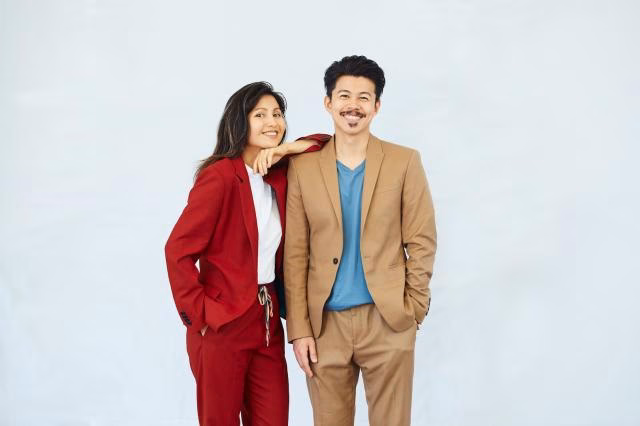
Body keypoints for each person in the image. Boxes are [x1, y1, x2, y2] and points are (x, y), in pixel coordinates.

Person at [284, 55, 437, 426]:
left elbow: (421, 239)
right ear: (328, 102)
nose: (353, 105)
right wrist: (299, 329)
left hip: (387, 321)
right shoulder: (303, 167)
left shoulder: (404, 162)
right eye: (344, 96)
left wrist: (413, 308)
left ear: (376, 106)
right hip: (324, 328)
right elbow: (295, 254)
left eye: (364, 97)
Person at [164, 81, 327, 426]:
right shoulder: (220, 177)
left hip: (267, 319)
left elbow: (327, 144)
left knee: (273, 418)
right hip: (222, 323)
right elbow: (177, 249)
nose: (272, 122)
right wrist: (201, 316)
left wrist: (286, 149)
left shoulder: (279, 175)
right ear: (240, 122)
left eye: (278, 114)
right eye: (260, 115)